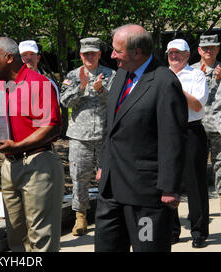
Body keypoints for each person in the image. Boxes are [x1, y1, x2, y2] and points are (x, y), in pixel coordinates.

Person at [94, 24, 188, 252]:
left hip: (146, 196)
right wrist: (103, 164)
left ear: (137, 52)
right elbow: (111, 126)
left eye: (118, 50)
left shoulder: (164, 82)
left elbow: (172, 138)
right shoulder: (120, 76)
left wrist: (169, 188)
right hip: (111, 190)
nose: (112, 55)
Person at [0, 37, 64, 252]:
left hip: (38, 165)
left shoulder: (39, 83)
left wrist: (17, 146)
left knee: (41, 239)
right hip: (10, 166)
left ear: (9, 58)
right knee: (15, 237)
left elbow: (52, 127)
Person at [60, 37, 115, 236]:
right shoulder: (73, 76)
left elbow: (118, 102)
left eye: (93, 53)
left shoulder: (110, 74)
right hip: (79, 136)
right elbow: (65, 102)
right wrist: (81, 87)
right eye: (85, 54)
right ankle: (80, 217)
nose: (89, 57)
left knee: (108, 178)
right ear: (81, 55)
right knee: (79, 177)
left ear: (99, 54)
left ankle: (107, 216)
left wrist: (101, 90)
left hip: (104, 135)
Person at [167, 39, 209, 248]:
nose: (174, 56)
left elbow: (198, 104)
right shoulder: (160, 75)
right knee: (169, 183)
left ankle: (199, 231)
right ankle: (172, 230)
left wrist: (177, 88)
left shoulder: (196, 75)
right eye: (171, 53)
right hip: (167, 133)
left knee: (195, 183)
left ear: (186, 55)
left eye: (178, 53)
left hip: (191, 130)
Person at [190, 34, 221, 210]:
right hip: (197, 127)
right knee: (196, 169)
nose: (209, 51)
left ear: (218, 49)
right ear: (199, 50)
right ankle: (199, 210)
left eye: (213, 47)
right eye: (205, 48)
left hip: (218, 127)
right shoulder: (191, 72)